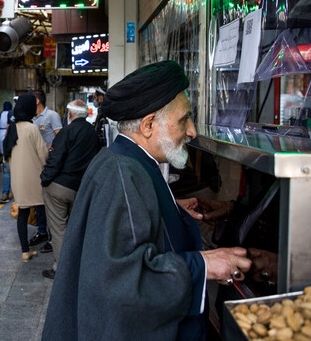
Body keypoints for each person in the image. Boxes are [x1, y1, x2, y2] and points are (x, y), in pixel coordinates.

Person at [43, 60, 252, 340]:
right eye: (183, 120)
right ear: (149, 125)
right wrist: (203, 265)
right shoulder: (123, 174)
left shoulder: (128, 161)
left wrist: (169, 211)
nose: (191, 131)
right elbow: (124, 282)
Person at [39, 100, 98, 279]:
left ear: (70, 114)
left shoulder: (67, 131)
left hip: (59, 186)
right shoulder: (93, 134)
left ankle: (61, 269)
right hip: (80, 188)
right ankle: (78, 263)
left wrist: (45, 179)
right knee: (74, 227)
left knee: (58, 229)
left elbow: (55, 159)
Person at [4, 94, 49, 262]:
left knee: (22, 214)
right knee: (44, 208)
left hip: (18, 179)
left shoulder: (11, 128)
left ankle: (25, 251)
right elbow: (43, 154)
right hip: (35, 179)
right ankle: (49, 240)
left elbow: (6, 155)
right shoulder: (32, 128)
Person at [30, 89, 61, 252]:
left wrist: (51, 148)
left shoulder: (52, 116)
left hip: (49, 164)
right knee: (37, 200)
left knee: (49, 200)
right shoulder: (31, 118)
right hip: (34, 164)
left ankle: (52, 237)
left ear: (36, 101)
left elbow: (60, 136)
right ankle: (42, 230)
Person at [0, 101, 13, 204]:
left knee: (6, 170)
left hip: (1, 135)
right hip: (12, 150)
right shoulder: (13, 118)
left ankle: (5, 193)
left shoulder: (0, 115)